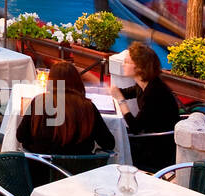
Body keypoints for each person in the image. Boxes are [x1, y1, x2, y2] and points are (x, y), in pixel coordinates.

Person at [16, 61, 115, 157]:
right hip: (80, 171)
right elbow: (108, 143)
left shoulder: (39, 102)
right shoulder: (88, 107)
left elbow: (21, 136)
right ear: (77, 81)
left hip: (41, 169)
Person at [113, 42, 180, 171]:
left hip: (156, 147)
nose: (123, 64)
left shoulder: (154, 92)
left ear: (139, 67)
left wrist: (121, 100)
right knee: (115, 135)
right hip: (149, 138)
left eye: (127, 62)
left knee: (116, 141)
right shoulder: (144, 84)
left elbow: (135, 128)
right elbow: (124, 92)